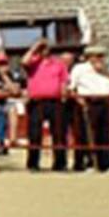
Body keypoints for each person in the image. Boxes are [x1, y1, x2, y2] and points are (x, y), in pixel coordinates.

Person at [21, 40, 70, 172]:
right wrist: (35, 46)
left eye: (45, 48)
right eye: (41, 48)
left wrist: (63, 95)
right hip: (37, 101)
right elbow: (24, 61)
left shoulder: (58, 64)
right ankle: (33, 163)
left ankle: (60, 163)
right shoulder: (33, 62)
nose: (44, 50)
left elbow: (64, 81)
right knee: (35, 133)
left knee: (59, 133)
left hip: (55, 101)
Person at [69, 45, 109, 172]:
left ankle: (106, 163)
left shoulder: (107, 69)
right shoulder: (79, 68)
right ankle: (89, 162)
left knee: (107, 133)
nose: (100, 58)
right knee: (88, 134)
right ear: (89, 57)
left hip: (106, 101)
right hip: (89, 101)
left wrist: (106, 71)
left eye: (102, 56)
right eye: (97, 56)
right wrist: (79, 100)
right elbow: (72, 87)